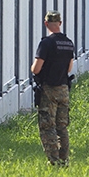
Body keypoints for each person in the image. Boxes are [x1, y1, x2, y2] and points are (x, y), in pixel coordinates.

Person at [31, 10, 75, 166]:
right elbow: (69, 68)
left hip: (49, 90)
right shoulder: (68, 43)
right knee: (62, 126)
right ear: (60, 23)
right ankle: (64, 159)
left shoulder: (46, 43)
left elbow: (36, 69)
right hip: (64, 89)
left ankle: (53, 161)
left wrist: (33, 68)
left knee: (48, 126)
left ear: (46, 24)